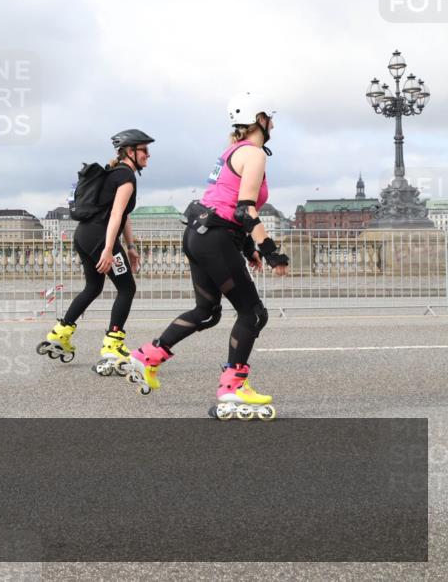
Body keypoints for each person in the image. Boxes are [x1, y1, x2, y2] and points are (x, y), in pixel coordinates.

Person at [118, 93, 288, 420]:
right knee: (253, 313)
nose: (274, 124)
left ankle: (147, 356)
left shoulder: (231, 151)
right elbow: (244, 209)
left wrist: (247, 248)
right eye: (272, 118)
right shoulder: (252, 154)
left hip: (199, 234)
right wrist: (271, 253)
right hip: (214, 238)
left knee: (207, 311)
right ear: (261, 119)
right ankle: (233, 389)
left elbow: (224, 205)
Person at [36, 129, 153, 375]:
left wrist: (130, 247)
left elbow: (124, 216)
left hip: (84, 235)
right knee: (127, 288)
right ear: (130, 152)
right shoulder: (125, 177)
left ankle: (60, 334)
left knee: (93, 287)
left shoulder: (114, 174)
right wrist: (109, 249)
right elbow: (115, 215)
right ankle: (113, 344)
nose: (148, 155)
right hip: (100, 238)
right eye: (144, 150)